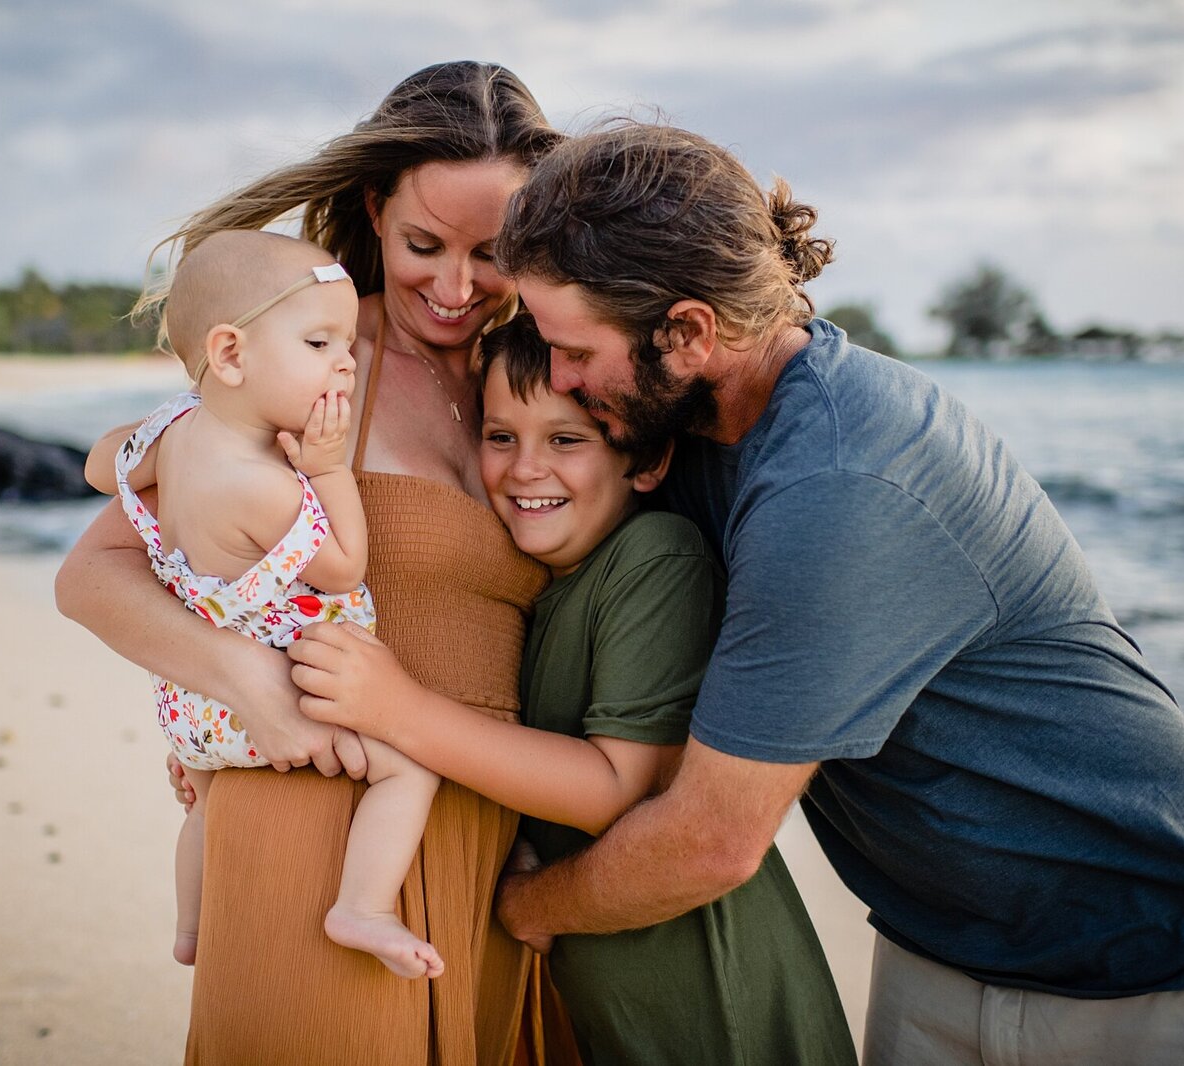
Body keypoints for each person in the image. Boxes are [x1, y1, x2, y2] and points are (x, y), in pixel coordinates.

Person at [476, 122, 1184, 1066]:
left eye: (572, 350)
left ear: (689, 332)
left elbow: (709, 844)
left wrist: (528, 907)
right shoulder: (700, 425)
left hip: (1149, 985)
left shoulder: (837, 482)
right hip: (938, 952)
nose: (559, 380)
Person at [53, 61, 561, 1064]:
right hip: (317, 822)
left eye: (491, 253)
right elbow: (92, 575)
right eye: (423, 245)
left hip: (496, 850)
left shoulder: (546, 378)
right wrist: (241, 677)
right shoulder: (313, 363)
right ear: (373, 210)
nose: (456, 289)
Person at [287, 314, 858, 1065]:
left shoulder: (657, 558)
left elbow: (616, 788)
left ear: (646, 458)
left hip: (714, 1002)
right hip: (611, 1001)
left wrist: (398, 710)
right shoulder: (546, 587)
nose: (525, 468)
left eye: (566, 440)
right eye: (500, 437)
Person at [83, 229, 444, 978]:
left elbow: (98, 467)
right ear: (231, 354)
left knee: (207, 804)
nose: (347, 362)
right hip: (283, 697)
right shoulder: (262, 485)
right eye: (319, 343)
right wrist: (330, 470)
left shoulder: (171, 435)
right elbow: (344, 568)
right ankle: (362, 907)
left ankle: (190, 928)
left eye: (347, 342)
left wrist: (158, 425)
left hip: (191, 704)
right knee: (409, 770)